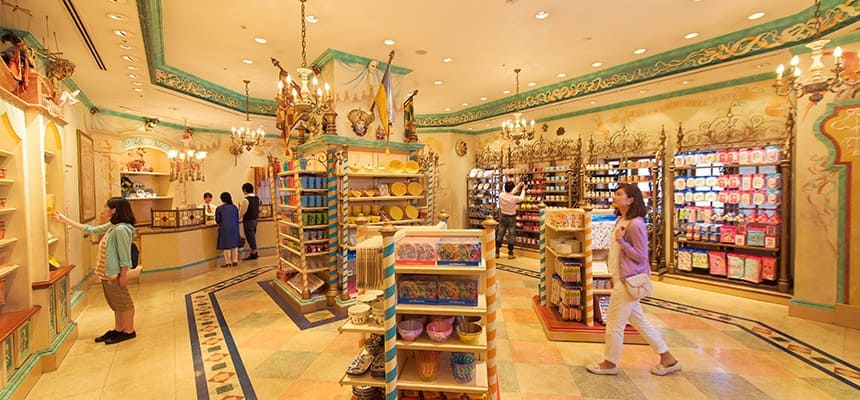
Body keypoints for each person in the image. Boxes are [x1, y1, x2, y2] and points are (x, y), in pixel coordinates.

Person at [587, 183, 681, 376]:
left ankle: (610, 363)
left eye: (619, 194)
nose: (614, 196)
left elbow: (641, 256)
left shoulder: (636, 224)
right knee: (639, 321)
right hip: (621, 277)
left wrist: (622, 241)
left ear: (630, 199)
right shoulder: (620, 220)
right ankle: (668, 359)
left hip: (629, 279)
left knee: (614, 323)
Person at [54, 197, 137, 345]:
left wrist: (123, 274)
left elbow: (124, 254)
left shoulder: (121, 229)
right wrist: (65, 220)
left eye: (106, 207)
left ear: (114, 210)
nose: (103, 209)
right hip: (107, 274)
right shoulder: (113, 226)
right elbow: (91, 229)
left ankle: (129, 331)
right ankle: (119, 329)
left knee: (124, 302)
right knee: (116, 303)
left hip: (115, 274)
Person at [496, 180, 525, 259]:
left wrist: (518, 185)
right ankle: (510, 253)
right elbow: (521, 198)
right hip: (511, 217)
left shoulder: (501, 195)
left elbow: (510, 192)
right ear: (512, 189)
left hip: (503, 216)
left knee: (500, 233)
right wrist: (523, 189)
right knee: (511, 235)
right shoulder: (514, 198)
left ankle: (497, 251)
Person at [216, 192, 241, 267]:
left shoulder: (219, 208)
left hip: (224, 228)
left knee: (226, 245)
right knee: (234, 245)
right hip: (234, 227)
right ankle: (235, 261)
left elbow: (217, 220)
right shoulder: (235, 207)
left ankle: (228, 262)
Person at [238, 182, 260, 260]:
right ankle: (254, 252)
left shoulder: (245, 200)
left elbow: (242, 212)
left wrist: (237, 218)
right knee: (252, 235)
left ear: (245, 190)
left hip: (248, 220)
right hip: (255, 219)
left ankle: (254, 252)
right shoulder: (257, 198)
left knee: (250, 236)